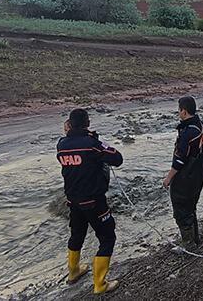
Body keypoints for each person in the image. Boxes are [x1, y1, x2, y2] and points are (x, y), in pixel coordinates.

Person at [57, 108, 123, 294]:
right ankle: (100, 284)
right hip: (94, 200)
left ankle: (73, 272)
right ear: (87, 122)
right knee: (108, 237)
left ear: (69, 124)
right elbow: (117, 159)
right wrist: (98, 140)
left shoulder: (61, 145)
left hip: (73, 201)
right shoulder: (91, 144)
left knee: (77, 234)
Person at [162, 96, 203, 251]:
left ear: (183, 111)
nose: (178, 113)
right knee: (191, 204)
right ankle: (195, 238)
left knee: (181, 207)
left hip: (187, 175)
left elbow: (179, 161)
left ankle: (188, 244)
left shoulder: (187, 133)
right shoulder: (201, 125)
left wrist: (168, 178)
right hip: (198, 173)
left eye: (179, 110)